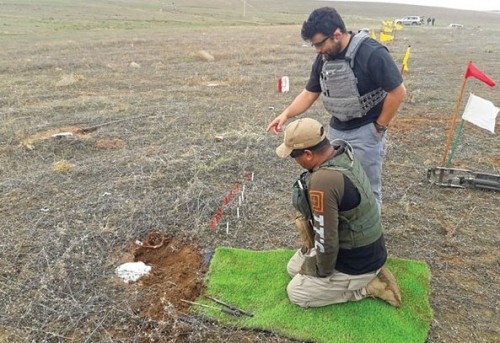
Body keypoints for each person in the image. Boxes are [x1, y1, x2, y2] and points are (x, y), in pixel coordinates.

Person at [267, 7, 406, 210]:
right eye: (314, 45)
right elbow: (309, 93)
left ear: (337, 34)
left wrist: (379, 127)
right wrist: (285, 114)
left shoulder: (372, 53)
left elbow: (398, 91)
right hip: (336, 130)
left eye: (320, 43)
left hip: (367, 132)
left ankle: (370, 235)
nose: (317, 50)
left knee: (367, 186)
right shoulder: (324, 58)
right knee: (337, 181)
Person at [275, 117, 402, 308]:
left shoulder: (323, 181)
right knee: (293, 268)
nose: (294, 161)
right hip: (364, 246)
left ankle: (367, 286)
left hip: (357, 261)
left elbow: (327, 237)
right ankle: (365, 275)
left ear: (308, 154)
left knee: (297, 292)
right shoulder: (341, 152)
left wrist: (321, 270)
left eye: (294, 156)